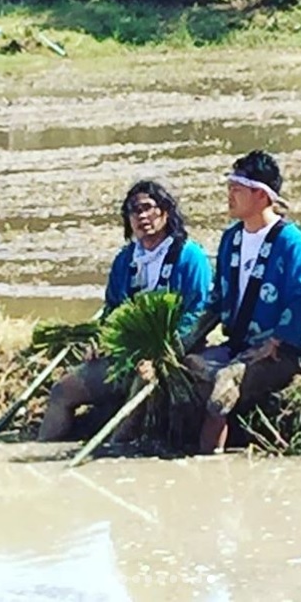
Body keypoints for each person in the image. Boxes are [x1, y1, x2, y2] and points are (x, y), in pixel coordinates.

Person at [38, 180, 212, 441]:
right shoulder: (125, 260)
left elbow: (197, 314)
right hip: (124, 357)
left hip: (171, 358)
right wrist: (100, 341)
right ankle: (41, 450)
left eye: (148, 208)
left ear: (165, 212)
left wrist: (164, 354)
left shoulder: (190, 256)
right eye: (134, 210)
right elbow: (113, 310)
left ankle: (114, 450)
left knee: (139, 387)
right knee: (62, 392)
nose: (142, 216)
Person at [185, 150, 301, 454]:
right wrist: (183, 341)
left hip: (279, 351)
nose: (229, 197)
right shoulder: (231, 239)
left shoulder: (289, 240)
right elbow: (217, 300)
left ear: (260, 196)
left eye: (237, 190)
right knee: (182, 373)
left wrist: (278, 340)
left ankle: (210, 465)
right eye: (229, 189)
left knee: (223, 386)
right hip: (239, 344)